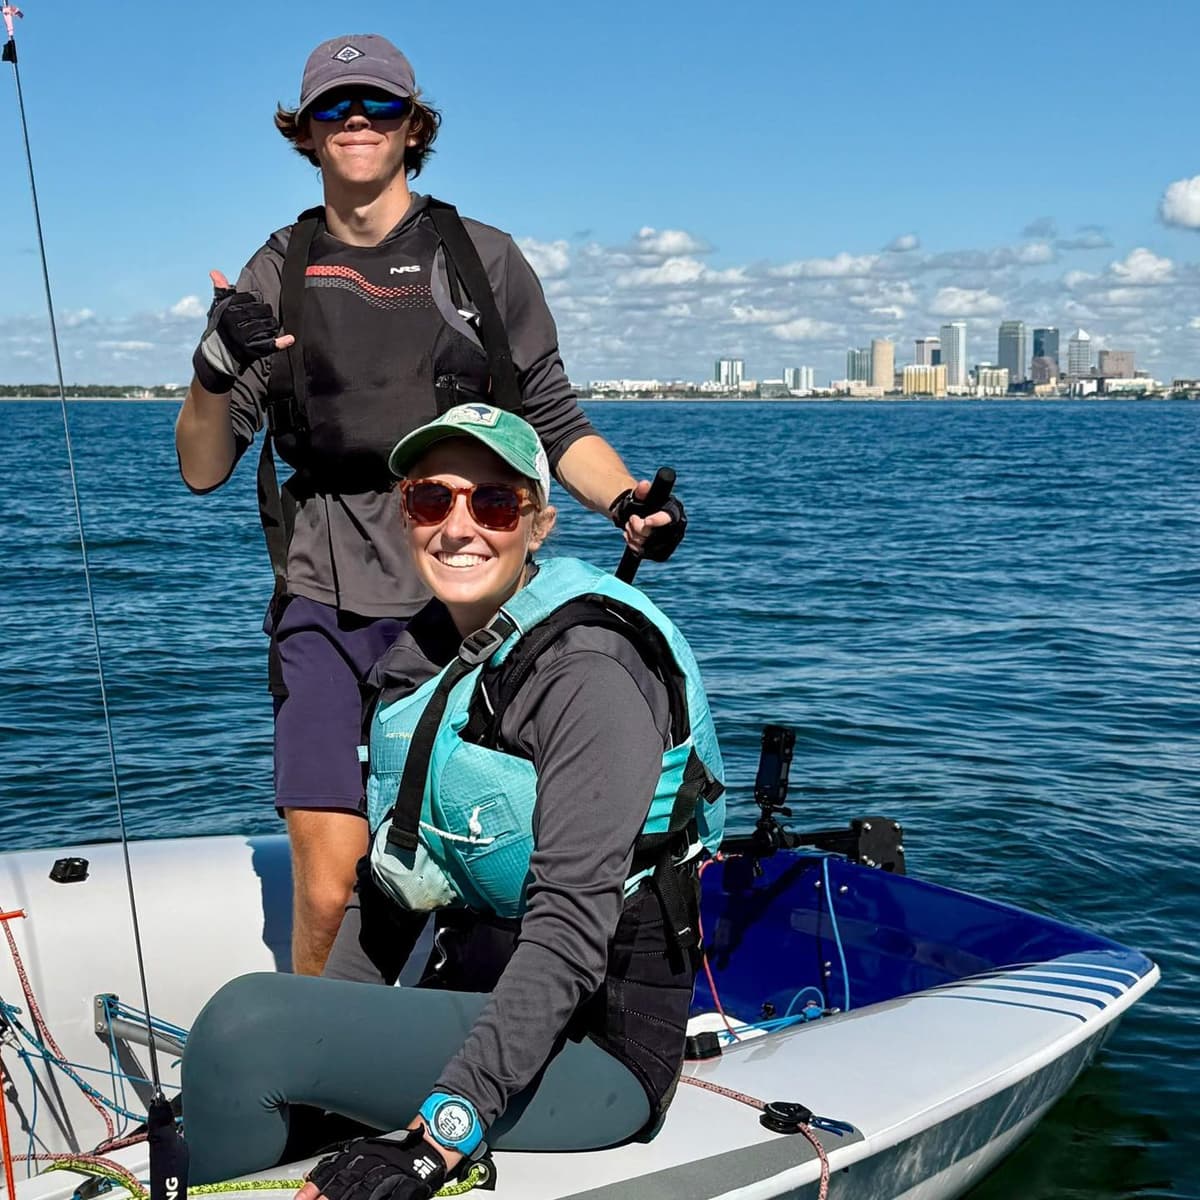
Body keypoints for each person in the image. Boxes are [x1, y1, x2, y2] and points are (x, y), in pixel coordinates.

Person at [174, 33, 685, 975]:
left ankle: (483, 1030)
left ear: (414, 127)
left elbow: (554, 419)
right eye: (335, 107)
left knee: (486, 852)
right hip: (324, 597)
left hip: (468, 603)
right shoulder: (277, 268)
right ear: (306, 132)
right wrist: (214, 364)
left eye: (378, 105)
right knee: (331, 881)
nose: (356, 121)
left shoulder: (481, 260)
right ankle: (316, 1068)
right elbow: (203, 465)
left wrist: (625, 503)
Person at [180, 405, 725, 1195]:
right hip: (480, 998)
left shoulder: (589, 676)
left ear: (537, 525)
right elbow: (396, 884)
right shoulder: (429, 652)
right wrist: (319, 1060)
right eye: (432, 500)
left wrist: (441, 1135)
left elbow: (572, 933)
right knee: (277, 1034)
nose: (458, 526)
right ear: (406, 515)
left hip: (596, 1048)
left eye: (494, 503)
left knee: (244, 1030)